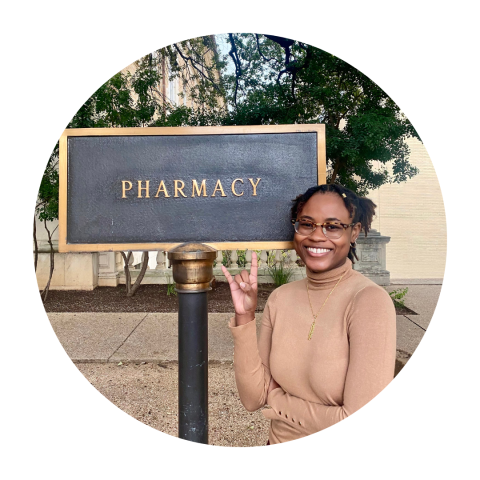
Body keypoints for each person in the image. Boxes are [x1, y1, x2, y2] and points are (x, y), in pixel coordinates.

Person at [221, 184, 396, 445]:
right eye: (307, 224)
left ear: (354, 232)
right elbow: (252, 398)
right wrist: (245, 316)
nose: (317, 236)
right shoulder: (280, 298)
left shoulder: (369, 302)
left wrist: (278, 400)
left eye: (333, 226)